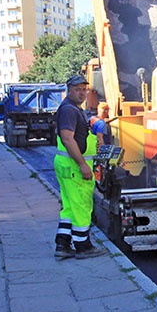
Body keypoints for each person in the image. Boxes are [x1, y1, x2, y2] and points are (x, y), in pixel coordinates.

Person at [54, 75, 105, 260]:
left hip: (67, 165)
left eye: (84, 89)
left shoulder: (73, 108)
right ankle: (83, 246)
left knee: (69, 207)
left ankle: (63, 244)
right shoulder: (69, 110)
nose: (81, 93)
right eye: (77, 89)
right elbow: (68, 138)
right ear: (69, 90)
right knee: (82, 206)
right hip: (74, 166)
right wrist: (83, 164)